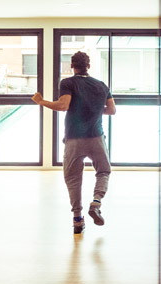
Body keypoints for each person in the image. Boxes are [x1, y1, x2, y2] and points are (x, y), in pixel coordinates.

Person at [33, 51, 115, 235]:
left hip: (74, 139)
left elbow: (63, 106)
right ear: (89, 66)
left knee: (73, 178)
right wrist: (92, 109)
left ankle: (77, 220)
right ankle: (96, 202)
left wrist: (41, 101)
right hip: (96, 137)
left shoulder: (68, 83)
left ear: (72, 66)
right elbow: (111, 110)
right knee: (103, 171)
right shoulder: (102, 85)